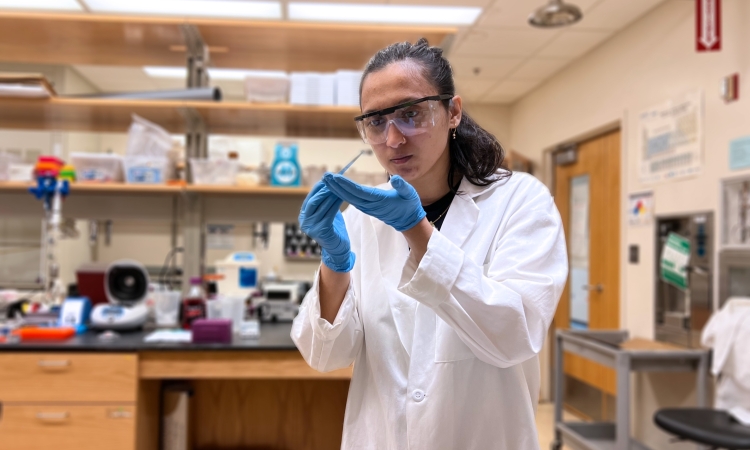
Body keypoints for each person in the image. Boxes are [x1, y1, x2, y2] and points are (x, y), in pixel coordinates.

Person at [292, 38, 568, 449]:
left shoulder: (520, 201)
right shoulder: (361, 220)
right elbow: (324, 354)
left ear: (452, 111)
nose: (393, 139)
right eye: (375, 122)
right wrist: (335, 259)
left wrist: (416, 230)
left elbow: (514, 335)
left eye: (410, 115)